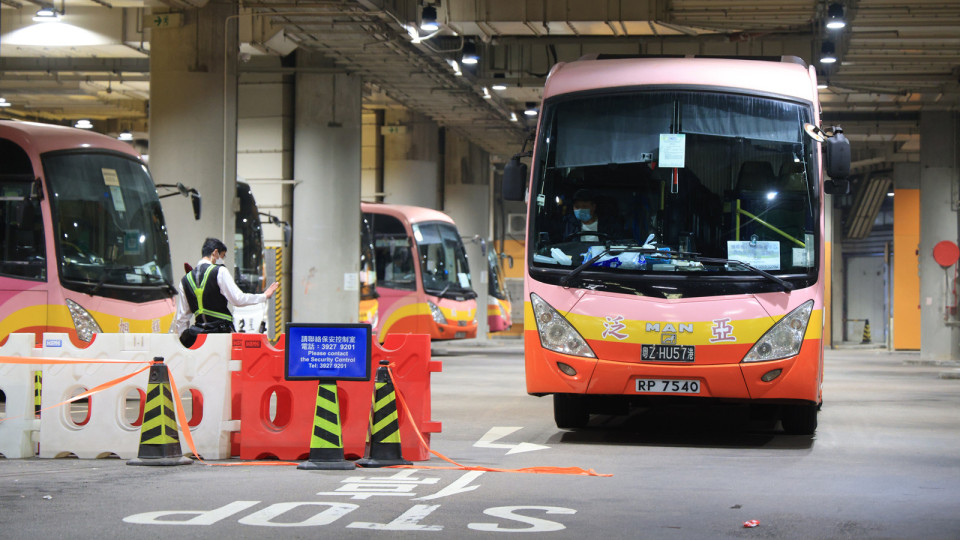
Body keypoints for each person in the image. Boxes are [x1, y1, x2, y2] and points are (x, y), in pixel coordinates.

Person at [172, 237, 279, 347]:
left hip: (197, 338)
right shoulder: (220, 271)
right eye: (222, 256)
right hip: (221, 337)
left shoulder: (185, 280)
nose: (222, 261)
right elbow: (238, 299)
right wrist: (264, 296)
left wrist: (185, 344)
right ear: (215, 253)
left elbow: (182, 319)